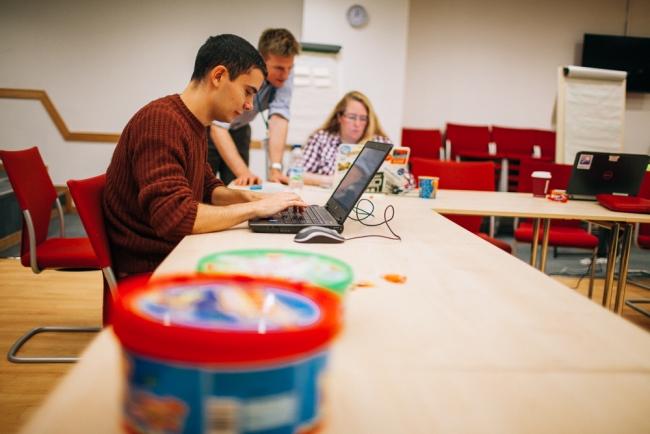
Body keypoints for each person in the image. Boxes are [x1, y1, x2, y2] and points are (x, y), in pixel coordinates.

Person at [104, 34, 307, 277]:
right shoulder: (160, 122)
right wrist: (255, 209)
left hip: (175, 253)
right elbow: (174, 218)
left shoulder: (194, 124)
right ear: (219, 76)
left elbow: (208, 189)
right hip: (151, 268)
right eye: (247, 91)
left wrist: (259, 201)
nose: (249, 106)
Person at [207, 28, 300, 186]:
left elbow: (279, 117)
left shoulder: (285, 71)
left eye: (289, 68)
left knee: (238, 186)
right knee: (205, 186)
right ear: (261, 59)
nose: (285, 75)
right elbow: (218, 127)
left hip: (240, 127)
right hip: (210, 127)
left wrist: (275, 169)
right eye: (278, 68)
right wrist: (244, 172)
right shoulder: (240, 67)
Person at [300, 91, 391, 187]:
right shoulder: (321, 139)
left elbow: (406, 180)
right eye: (352, 117)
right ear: (339, 117)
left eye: (363, 118)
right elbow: (295, 174)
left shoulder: (381, 143)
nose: (357, 124)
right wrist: (330, 180)